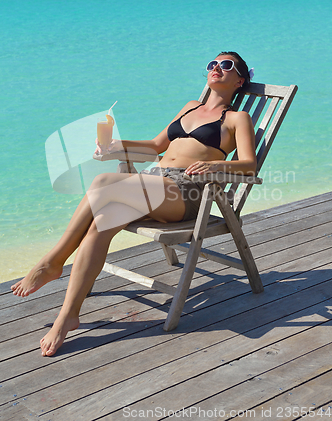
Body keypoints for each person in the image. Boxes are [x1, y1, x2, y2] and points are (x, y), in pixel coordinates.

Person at [11, 51, 257, 356]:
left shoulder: (236, 118)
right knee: (99, 226)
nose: (217, 68)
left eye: (227, 65)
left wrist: (217, 167)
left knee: (102, 182)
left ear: (240, 79)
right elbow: (155, 147)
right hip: (154, 182)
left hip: (187, 194)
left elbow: (249, 165)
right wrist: (117, 147)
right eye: (213, 64)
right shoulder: (190, 107)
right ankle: (67, 316)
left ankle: (53, 261)